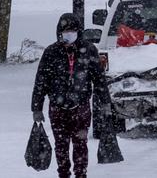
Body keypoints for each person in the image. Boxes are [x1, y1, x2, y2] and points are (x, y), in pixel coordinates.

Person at [31, 13, 112, 178]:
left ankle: (81, 174)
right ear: (59, 32)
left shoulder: (88, 50)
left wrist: (105, 102)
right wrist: (36, 108)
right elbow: (41, 81)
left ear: (78, 31)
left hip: (80, 108)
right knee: (61, 145)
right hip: (57, 109)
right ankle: (63, 174)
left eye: (73, 30)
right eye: (65, 30)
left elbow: (99, 79)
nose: (69, 33)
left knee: (80, 144)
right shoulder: (51, 52)